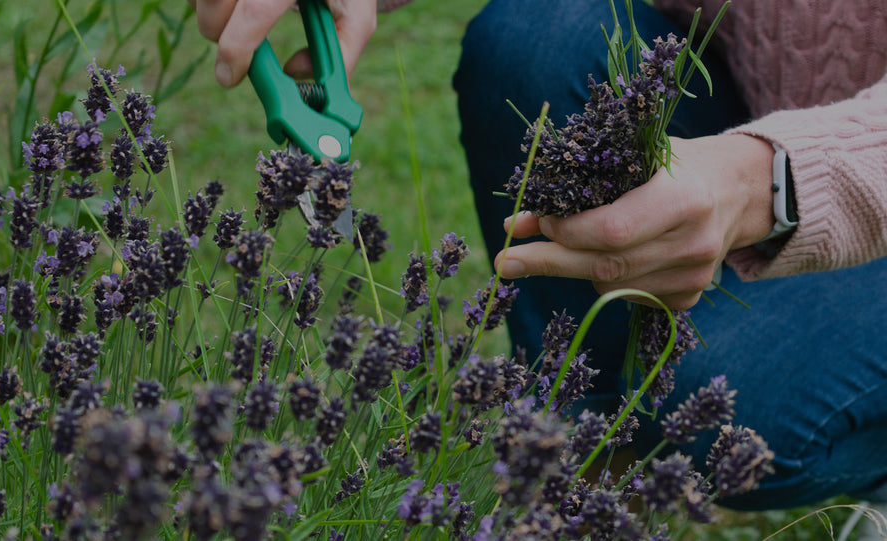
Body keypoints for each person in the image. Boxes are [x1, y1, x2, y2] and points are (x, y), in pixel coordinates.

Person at [190, 0, 887, 515]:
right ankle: (586, 463)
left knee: (733, 397)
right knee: (535, 40)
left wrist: (769, 179)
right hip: (761, 114)